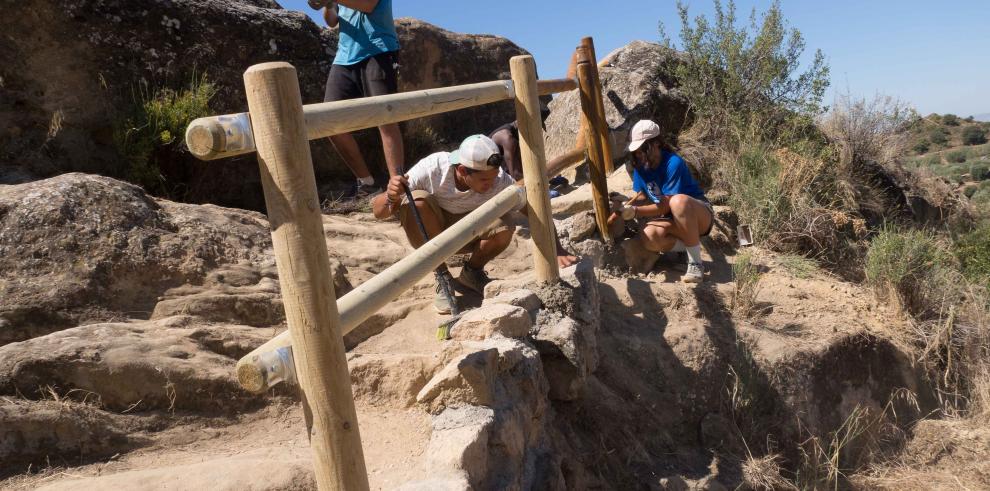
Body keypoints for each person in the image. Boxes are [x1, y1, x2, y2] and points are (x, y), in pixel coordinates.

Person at [372, 135, 578, 313]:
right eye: (484, 180)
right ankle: (442, 276)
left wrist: (557, 249)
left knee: (504, 225)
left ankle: (472, 272)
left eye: (493, 177)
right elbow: (378, 212)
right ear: (462, 170)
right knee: (416, 202)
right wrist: (392, 197)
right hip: (433, 231)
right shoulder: (433, 168)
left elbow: (535, 213)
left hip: (469, 232)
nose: (491, 184)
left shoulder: (498, 180)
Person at [614, 120, 714, 283]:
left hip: (699, 216)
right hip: (673, 220)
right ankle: (689, 246)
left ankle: (696, 264)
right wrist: (626, 204)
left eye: (643, 148)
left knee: (678, 202)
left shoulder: (672, 163)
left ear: (656, 143)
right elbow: (642, 195)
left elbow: (665, 205)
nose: (638, 153)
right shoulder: (640, 165)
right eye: (636, 150)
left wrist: (636, 211)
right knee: (650, 237)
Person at [323, 0, 404, 199]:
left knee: (385, 119)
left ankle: (398, 191)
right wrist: (325, 3)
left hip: (380, 51)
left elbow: (368, 5)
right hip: (344, 57)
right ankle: (367, 184)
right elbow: (331, 20)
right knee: (328, 120)